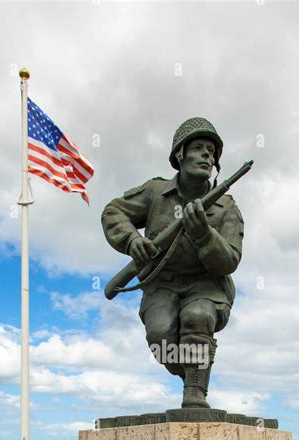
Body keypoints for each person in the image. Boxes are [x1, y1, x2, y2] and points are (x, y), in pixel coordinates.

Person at [101, 117, 244, 408]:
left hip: (207, 285)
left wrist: (204, 236)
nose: (207, 155)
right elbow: (114, 212)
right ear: (180, 154)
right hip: (161, 285)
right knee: (160, 336)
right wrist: (132, 241)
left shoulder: (227, 207)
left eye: (212, 152)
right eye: (199, 148)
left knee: (198, 317)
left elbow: (229, 260)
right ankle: (194, 367)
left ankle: (195, 388)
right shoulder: (156, 192)